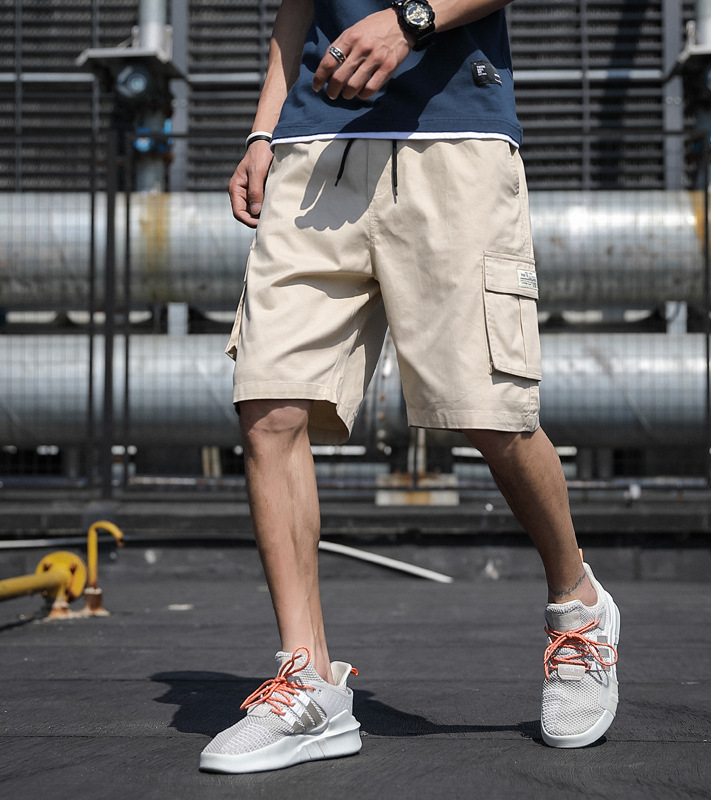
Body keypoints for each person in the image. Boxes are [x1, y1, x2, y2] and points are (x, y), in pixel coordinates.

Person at [199, 0, 620, 774]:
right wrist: (263, 131)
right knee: (269, 404)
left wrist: (411, 21)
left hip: (454, 138)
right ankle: (308, 682)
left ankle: (578, 605)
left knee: (490, 413)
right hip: (313, 148)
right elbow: (298, 8)